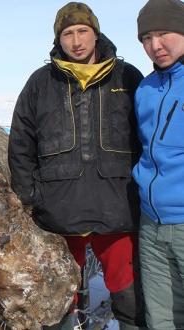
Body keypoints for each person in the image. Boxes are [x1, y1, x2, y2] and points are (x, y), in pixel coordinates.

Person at [8, 2, 147, 329]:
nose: (76, 40)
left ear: (95, 34)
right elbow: (21, 144)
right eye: (68, 33)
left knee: (128, 295)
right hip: (57, 214)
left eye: (83, 31)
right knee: (59, 297)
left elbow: (145, 138)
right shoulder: (40, 83)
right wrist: (29, 196)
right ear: (59, 40)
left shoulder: (128, 76)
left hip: (117, 209)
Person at [133, 0, 184, 328]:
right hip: (150, 223)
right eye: (147, 38)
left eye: (164, 33)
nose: (155, 45)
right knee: (161, 319)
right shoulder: (145, 89)